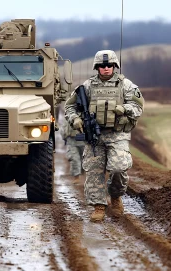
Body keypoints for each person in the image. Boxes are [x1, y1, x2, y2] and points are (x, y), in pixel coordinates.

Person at [65, 50, 144, 222]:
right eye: (102, 66)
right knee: (94, 172)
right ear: (97, 67)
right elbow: (69, 107)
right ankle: (99, 206)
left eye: (109, 65)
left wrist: (125, 109)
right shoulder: (87, 86)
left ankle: (115, 196)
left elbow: (138, 107)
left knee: (118, 168)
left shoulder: (126, 85)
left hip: (118, 134)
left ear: (115, 66)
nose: (106, 68)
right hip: (95, 136)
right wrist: (75, 119)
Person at [60, 118, 85, 185]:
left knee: (85, 159)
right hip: (71, 139)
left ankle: (86, 177)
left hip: (84, 139)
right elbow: (64, 127)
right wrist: (64, 136)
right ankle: (76, 177)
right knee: (74, 158)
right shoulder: (69, 113)